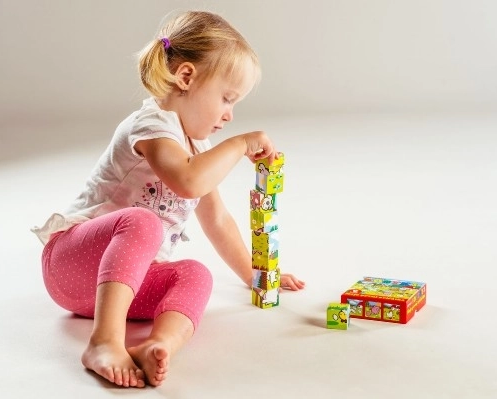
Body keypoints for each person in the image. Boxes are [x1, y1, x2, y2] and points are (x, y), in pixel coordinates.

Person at [32, 10, 305, 389]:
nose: (229, 115)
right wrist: (240, 144)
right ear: (187, 77)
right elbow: (188, 181)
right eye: (226, 98)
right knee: (143, 223)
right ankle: (104, 342)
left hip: (116, 287)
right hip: (70, 263)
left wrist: (255, 277)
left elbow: (218, 219)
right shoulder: (151, 127)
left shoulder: (198, 145)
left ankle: (160, 344)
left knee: (195, 273)